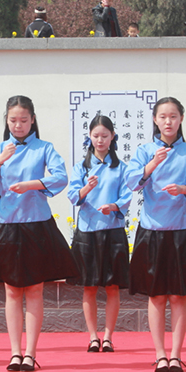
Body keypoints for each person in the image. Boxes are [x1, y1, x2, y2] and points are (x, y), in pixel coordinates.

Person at [0, 95, 77, 372]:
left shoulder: (45, 148)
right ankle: (14, 352)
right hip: (7, 222)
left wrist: (33, 184)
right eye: (13, 120)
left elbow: (60, 177)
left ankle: (31, 353)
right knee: (11, 290)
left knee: (34, 289)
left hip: (36, 223)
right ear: (6, 121)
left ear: (33, 120)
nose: (18, 125)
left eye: (23, 120)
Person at [124, 97, 186, 372]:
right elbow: (131, 182)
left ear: (181, 119)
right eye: (163, 117)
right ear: (155, 120)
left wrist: (185, 189)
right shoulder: (145, 150)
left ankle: (176, 354)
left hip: (183, 230)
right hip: (153, 230)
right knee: (157, 295)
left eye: (173, 116)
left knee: (179, 296)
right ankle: (160, 354)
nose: (168, 122)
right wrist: (151, 165)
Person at [66, 115, 131, 353]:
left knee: (112, 287)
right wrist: (87, 187)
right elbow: (73, 196)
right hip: (88, 231)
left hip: (113, 231)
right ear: (89, 138)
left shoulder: (121, 167)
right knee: (89, 287)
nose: (100, 140)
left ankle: (109, 336)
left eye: (105, 136)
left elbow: (127, 195)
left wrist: (114, 206)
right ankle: (93, 336)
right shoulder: (81, 167)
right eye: (96, 136)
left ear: (113, 137)